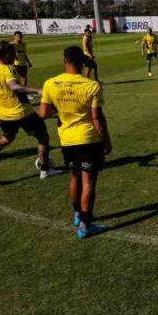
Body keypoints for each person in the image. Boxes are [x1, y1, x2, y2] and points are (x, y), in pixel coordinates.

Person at [39, 46, 111, 239]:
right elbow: (97, 118)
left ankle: (77, 214)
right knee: (89, 182)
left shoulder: (50, 83)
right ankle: (86, 226)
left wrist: (62, 113)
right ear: (82, 63)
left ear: (64, 61)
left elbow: (44, 113)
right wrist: (106, 140)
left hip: (67, 139)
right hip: (88, 138)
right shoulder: (91, 86)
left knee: (74, 177)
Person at [0, 41, 62, 179]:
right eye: (13, 54)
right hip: (23, 112)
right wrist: (38, 90)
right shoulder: (8, 69)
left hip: (5, 116)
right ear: (6, 55)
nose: (14, 57)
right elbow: (15, 87)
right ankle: (45, 170)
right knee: (43, 137)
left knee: (5, 139)